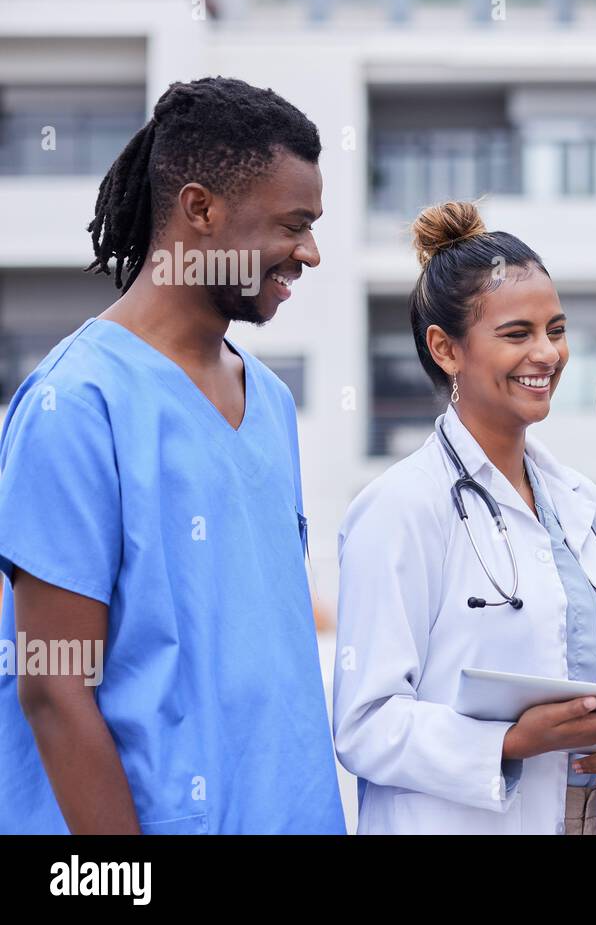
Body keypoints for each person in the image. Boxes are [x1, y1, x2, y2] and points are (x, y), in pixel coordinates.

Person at [0, 77, 345, 833]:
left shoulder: (273, 406)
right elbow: (52, 689)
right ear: (199, 209)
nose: (309, 253)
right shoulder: (76, 405)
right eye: (293, 224)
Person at [332, 200, 596, 835]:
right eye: (517, 334)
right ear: (445, 349)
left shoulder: (586, 506)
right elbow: (364, 724)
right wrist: (507, 742)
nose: (547, 354)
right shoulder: (400, 508)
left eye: (556, 330)